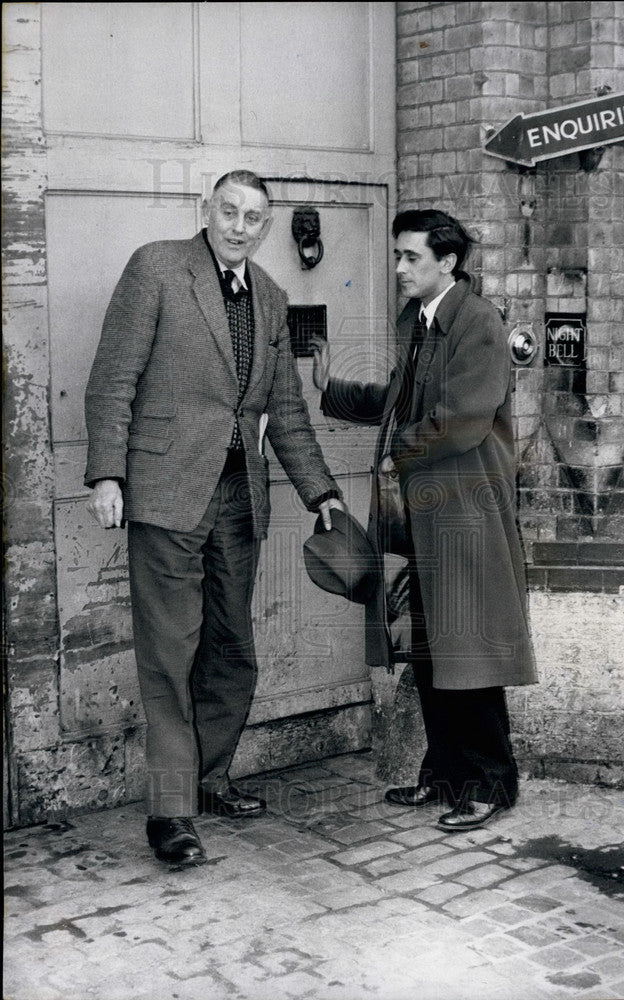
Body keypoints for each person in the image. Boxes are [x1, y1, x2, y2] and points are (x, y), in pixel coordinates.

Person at [85, 170, 343, 866]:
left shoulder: (270, 296)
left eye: (253, 218)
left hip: (238, 495)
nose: (239, 227)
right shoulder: (157, 268)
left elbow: (283, 409)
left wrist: (320, 491)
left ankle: (209, 778)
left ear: (266, 227)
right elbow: (112, 378)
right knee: (170, 656)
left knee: (231, 648)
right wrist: (108, 473)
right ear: (208, 210)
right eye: (228, 211)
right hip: (166, 491)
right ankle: (171, 814)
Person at [313, 209, 537, 831]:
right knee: (433, 650)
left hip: (466, 514)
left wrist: (397, 451)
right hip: (426, 515)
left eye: (412, 257)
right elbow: (398, 401)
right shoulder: (419, 319)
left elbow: (462, 419)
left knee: (472, 651)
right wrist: (333, 390)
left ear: (448, 262)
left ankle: (491, 785)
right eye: (398, 255)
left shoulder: (478, 322)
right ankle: (444, 776)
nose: (400, 267)